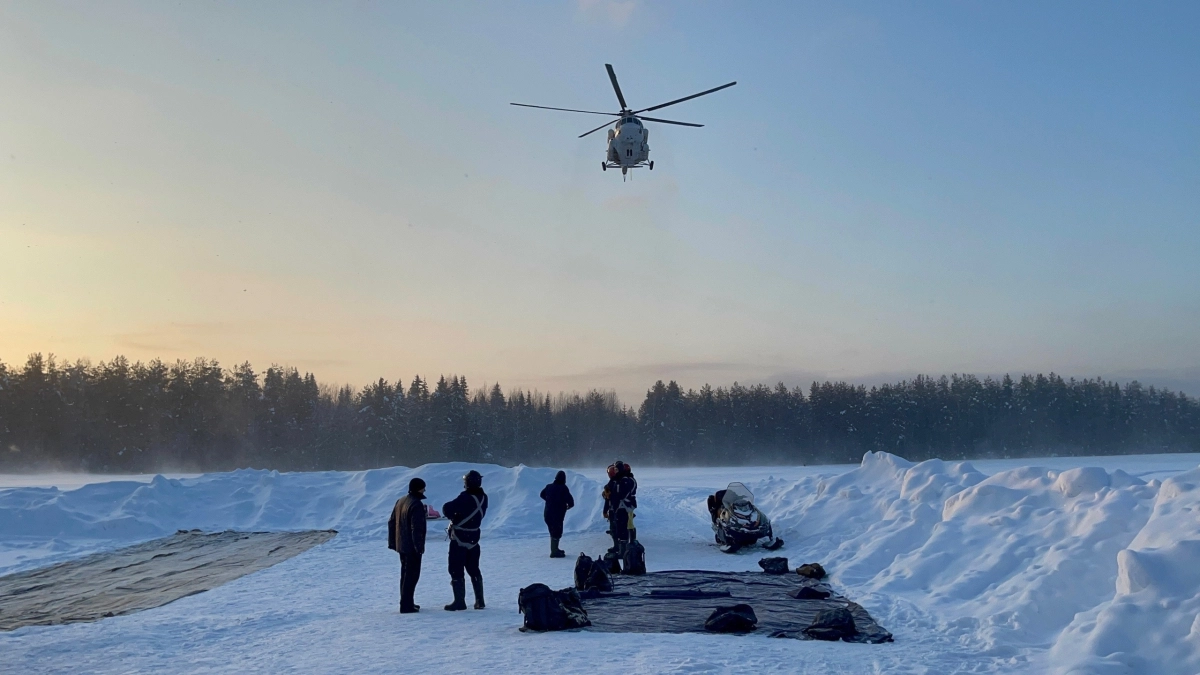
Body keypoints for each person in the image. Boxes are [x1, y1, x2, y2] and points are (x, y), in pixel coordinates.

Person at [442, 469, 489, 611]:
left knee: (456, 569)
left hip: (459, 539)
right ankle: (480, 601)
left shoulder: (465, 497)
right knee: (474, 569)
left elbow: (447, 508)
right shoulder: (484, 497)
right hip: (474, 539)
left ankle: (459, 601)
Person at [387, 477, 427, 614]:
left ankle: (407, 602)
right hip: (411, 547)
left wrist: (393, 542)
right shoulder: (416, 505)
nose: (424, 490)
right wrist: (419, 546)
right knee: (412, 576)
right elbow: (417, 528)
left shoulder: (401, 501)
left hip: (402, 545)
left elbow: (391, 522)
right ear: (419, 489)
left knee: (404, 574)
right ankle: (406, 605)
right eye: (423, 488)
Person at [604, 460, 638, 558]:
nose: (615, 471)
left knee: (625, 527)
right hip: (619, 507)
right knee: (620, 528)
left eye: (616, 469)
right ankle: (621, 547)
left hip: (625, 507)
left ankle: (625, 548)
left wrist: (612, 495)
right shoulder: (619, 480)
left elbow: (622, 494)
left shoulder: (626, 480)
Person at [539, 470, 575, 558]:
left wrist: (549, 500)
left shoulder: (549, 487)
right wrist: (568, 505)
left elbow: (542, 494)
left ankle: (555, 549)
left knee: (552, 531)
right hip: (557, 514)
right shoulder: (563, 488)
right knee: (557, 531)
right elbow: (570, 501)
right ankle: (554, 552)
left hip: (547, 514)